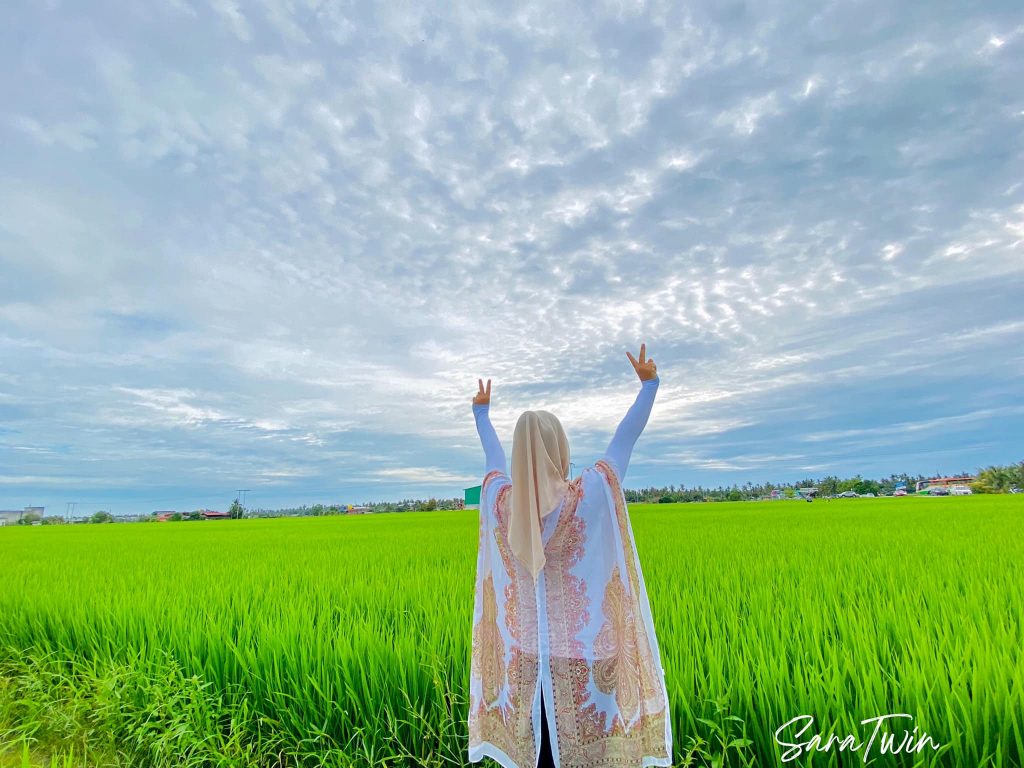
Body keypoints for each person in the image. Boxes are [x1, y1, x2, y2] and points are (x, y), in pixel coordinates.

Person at [467, 344, 672, 768]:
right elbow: (623, 442)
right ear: (558, 447)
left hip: (523, 664)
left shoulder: (499, 504)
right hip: (585, 664)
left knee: (538, 756)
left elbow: (492, 460)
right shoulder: (589, 495)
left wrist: (482, 415)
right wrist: (649, 386)